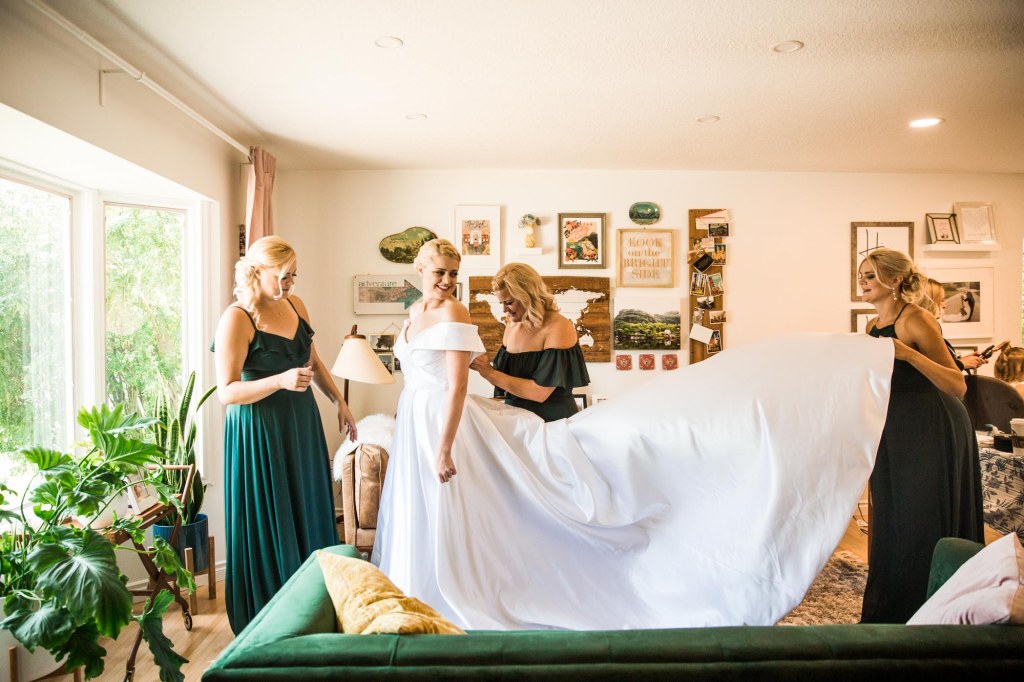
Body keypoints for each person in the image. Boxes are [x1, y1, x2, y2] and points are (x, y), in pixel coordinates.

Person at [373, 242, 897, 631]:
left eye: (507, 298)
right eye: (495, 298)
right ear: (420, 271)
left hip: (550, 418)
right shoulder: (488, 327)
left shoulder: (556, 327)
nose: (500, 307)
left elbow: (533, 393)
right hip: (493, 416)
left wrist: (485, 378)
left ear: (526, 293)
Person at [213, 235, 357, 634]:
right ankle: (271, 615)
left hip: (301, 423)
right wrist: (279, 380)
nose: (290, 283)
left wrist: (338, 402)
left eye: (294, 275)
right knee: (272, 512)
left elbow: (311, 359)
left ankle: (316, 606)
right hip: (260, 433)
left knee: (308, 505)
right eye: (283, 275)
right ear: (257, 272)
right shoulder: (237, 319)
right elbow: (227, 392)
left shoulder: (296, 305)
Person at [857, 248, 984, 624]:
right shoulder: (870, 325)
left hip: (932, 423)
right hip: (894, 426)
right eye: (861, 275)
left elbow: (957, 384)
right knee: (892, 516)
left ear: (895, 280)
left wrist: (908, 355)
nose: (861, 283)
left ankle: (929, 610)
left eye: (868, 276)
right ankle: (890, 609)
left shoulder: (917, 320)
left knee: (921, 515)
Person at [469, 263, 590, 422]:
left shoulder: (559, 326)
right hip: (516, 422)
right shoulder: (511, 325)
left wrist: (489, 372)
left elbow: (539, 393)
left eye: (509, 302)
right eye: (502, 303)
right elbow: (504, 381)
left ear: (528, 295)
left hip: (552, 423)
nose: (504, 309)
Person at [921, 278, 987, 372]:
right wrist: (961, 364)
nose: (944, 305)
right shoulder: (923, 334)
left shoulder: (929, 330)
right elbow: (933, 371)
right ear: (928, 303)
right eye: (940, 300)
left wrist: (959, 361)